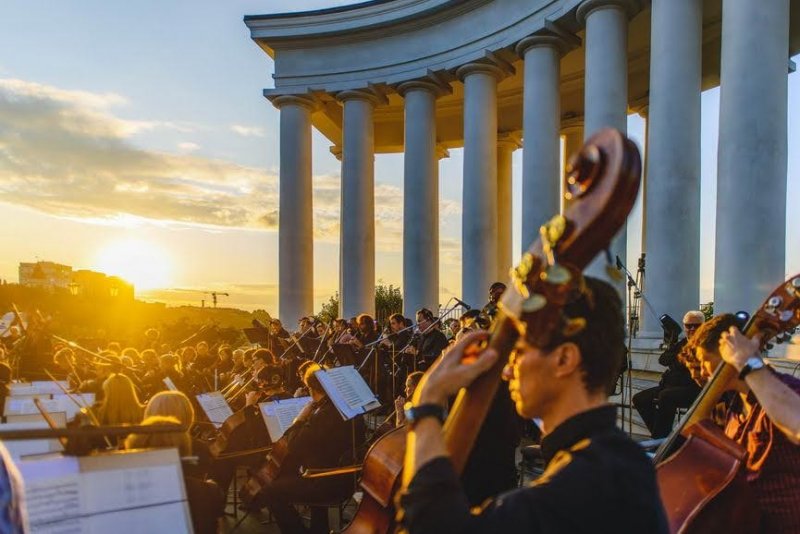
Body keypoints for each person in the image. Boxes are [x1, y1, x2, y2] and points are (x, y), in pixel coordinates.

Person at [398, 276, 668, 533]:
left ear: (564, 359)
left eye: (518, 353)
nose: (506, 371)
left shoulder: (583, 486)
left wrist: (427, 401)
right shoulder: (613, 460)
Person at [689, 314, 800, 533]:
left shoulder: (786, 391)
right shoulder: (734, 411)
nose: (702, 372)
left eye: (705, 361)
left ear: (726, 357)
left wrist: (747, 362)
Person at [245, 363, 363, 534]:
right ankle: (319, 528)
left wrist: (299, 419)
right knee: (298, 469)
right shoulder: (346, 408)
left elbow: (293, 445)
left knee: (270, 491)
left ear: (312, 389)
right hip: (346, 477)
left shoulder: (324, 415)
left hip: (326, 482)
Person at [632, 310, 704, 438]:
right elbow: (663, 360)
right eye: (689, 325)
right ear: (684, 326)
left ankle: (660, 438)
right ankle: (662, 436)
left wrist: (676, 360)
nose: (692, 329)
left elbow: (682, 364)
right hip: (669, 385)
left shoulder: (705, 344)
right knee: (640, 399)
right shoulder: (681, 344)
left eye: (696, 325)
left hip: (692, 388)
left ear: (703, 326)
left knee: (666, 397)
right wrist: (674, 348)